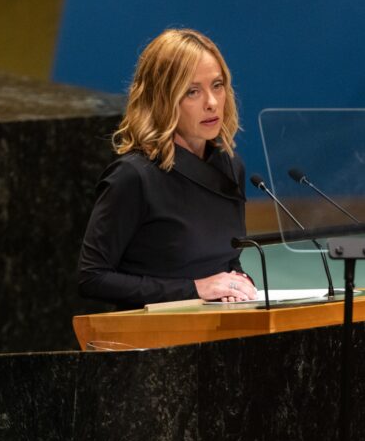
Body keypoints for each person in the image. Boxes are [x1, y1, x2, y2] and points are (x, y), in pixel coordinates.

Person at [78, 28, 257, 308]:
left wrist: (239, 282)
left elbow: (226, 259)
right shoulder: (133, 176)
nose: (211, 103)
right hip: (153, 337)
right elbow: (92, 277)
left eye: (218, 85)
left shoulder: (230, 166)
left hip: (217, 326)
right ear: (162, 99)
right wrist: (194, 289)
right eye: (192, 91)